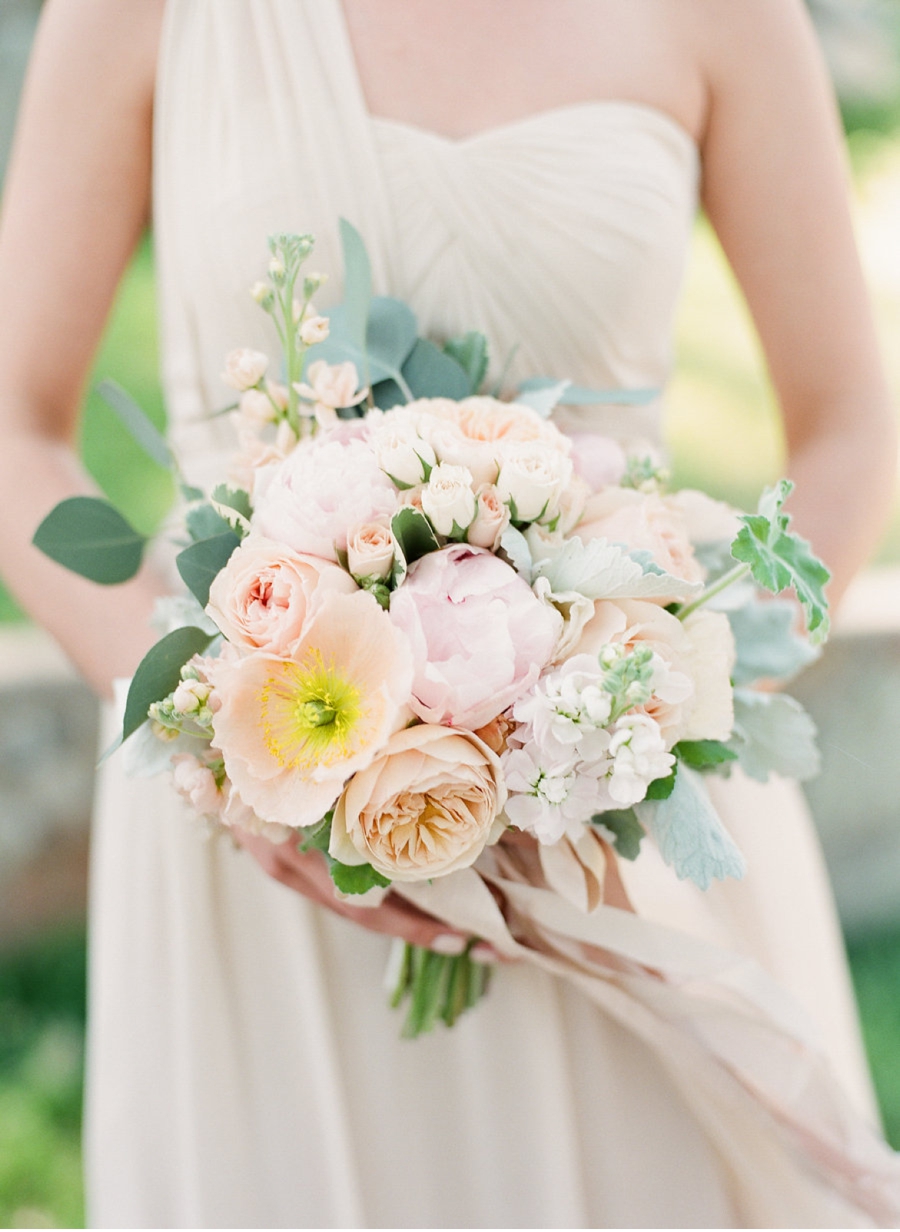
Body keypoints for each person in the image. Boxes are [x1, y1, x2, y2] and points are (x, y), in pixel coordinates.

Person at [0, 0, 897, 1226]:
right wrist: (215, 729)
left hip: (617, 834)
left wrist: (645, 710)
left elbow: (851, 421)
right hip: (262, 823)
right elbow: (15, 428)